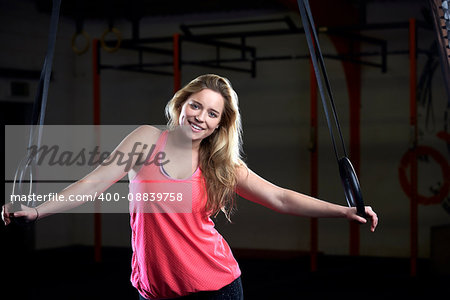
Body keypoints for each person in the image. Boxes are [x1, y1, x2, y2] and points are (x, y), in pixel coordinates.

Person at [2, 74, 378, 300]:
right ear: (181, 104)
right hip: (153, 290)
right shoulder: (145, 140)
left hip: (215, 288)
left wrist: (343, 210)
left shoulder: (221, 164)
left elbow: (279, 197)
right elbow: (92, 185)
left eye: (212, 113)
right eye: (196, 106)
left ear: (219, 125)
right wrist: (37, 210)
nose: (201, 116)